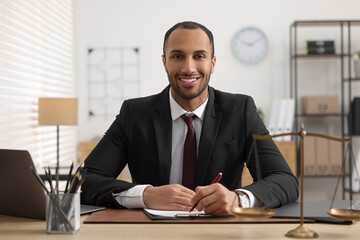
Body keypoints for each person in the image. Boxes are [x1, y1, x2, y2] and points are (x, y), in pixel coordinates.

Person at [81, 21, 298, 216]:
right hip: (150, 232)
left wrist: (237, 199)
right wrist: (145, 195)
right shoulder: (134, 113)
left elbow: (285, 181)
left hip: (221, 231)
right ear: (164, 62)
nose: (188, 68)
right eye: (177, 56)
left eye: (199, 56)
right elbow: (84, 181)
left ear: (212, 63)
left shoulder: (240, 110)